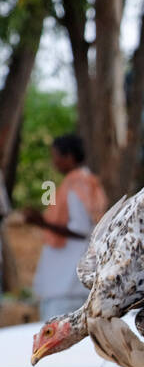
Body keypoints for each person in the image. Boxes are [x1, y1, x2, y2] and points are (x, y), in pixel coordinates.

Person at [29, 134, 108, 319]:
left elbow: (81, 229)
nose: (53, 162)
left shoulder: (77, 182)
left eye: (56, 156)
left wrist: (41, 223)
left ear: (69, 157)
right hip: (68, 279)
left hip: (66, 281)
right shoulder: (86, 180)